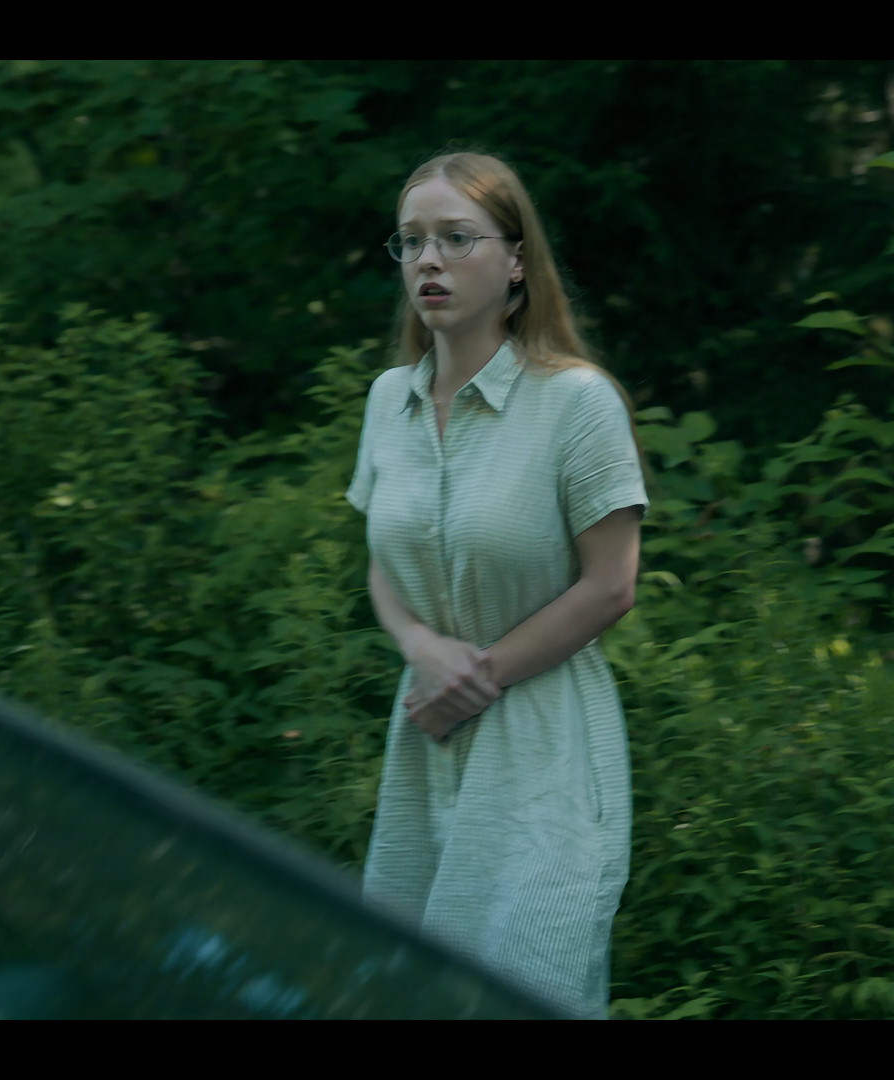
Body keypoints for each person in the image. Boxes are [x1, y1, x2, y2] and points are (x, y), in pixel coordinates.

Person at [345, 150, 647, 1020]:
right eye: (410, 242)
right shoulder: (388, 400)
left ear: (516, 259)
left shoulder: (576, 403)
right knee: (409, 994)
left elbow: (611, 586)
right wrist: (420, 646)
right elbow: (384, 560)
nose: (428, 261)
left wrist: (474, 678)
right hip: (426, 741)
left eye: (455, 238)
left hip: (546, 749)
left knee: (527, 990)